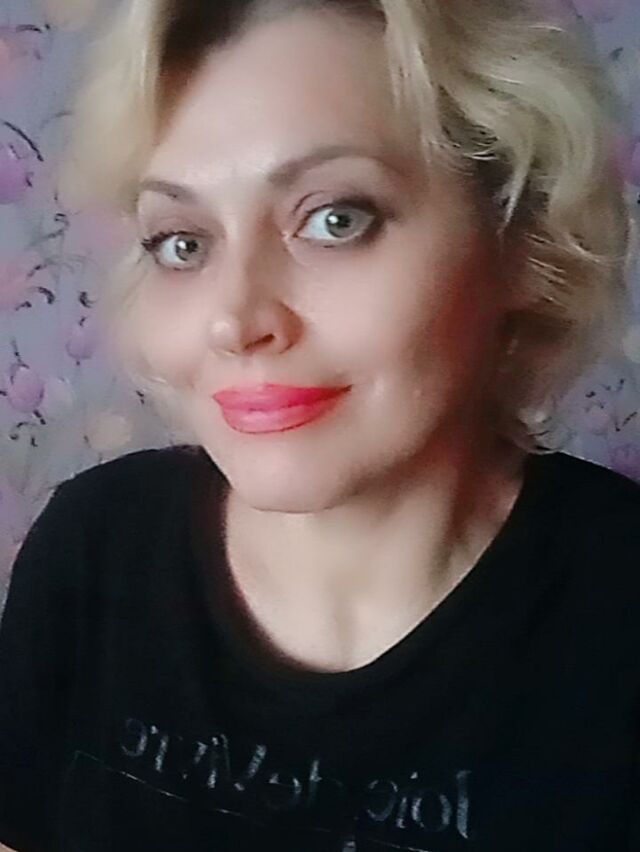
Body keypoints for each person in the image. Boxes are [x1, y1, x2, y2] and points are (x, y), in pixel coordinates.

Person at [1, 0, 639, 849]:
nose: (236, 320)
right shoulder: (94, 548)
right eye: (183, 241)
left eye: (336, 218)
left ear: (519, 240)